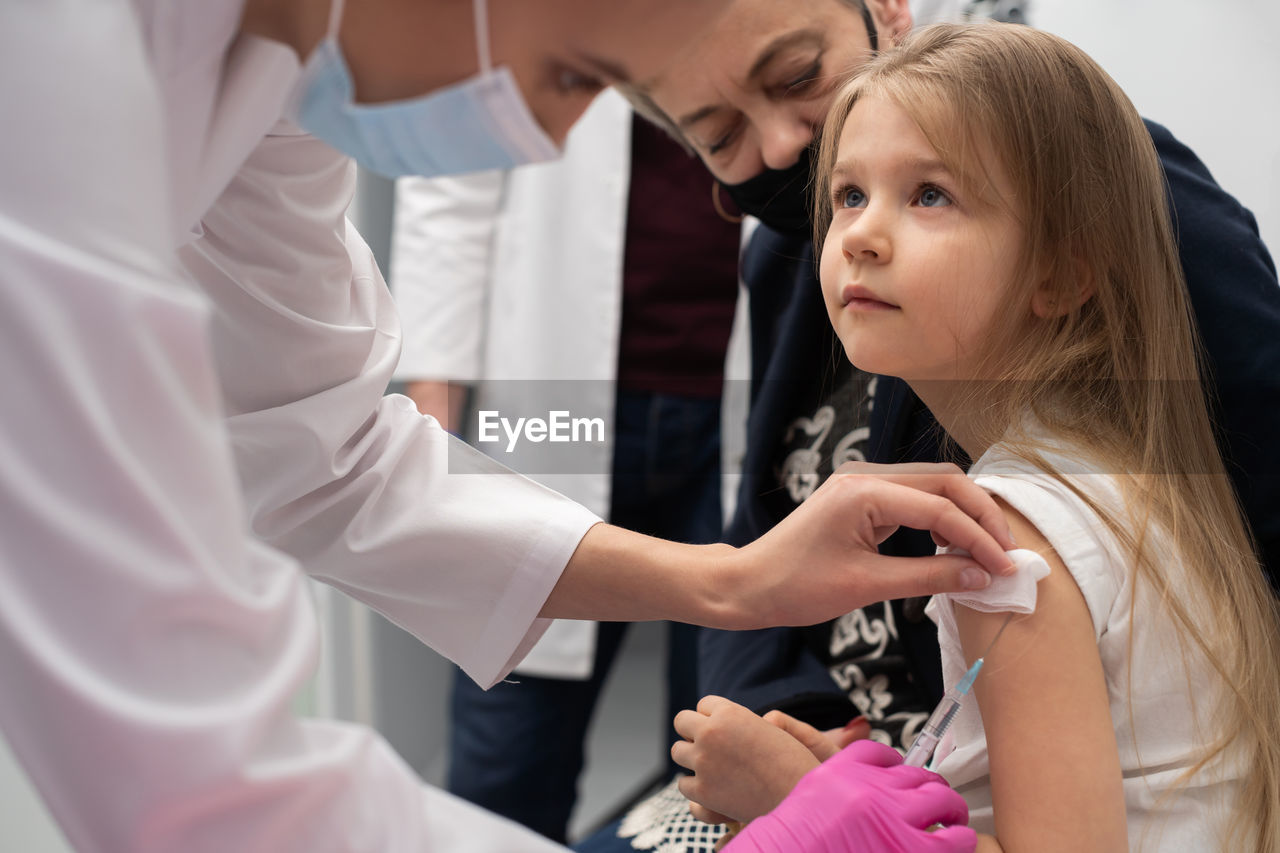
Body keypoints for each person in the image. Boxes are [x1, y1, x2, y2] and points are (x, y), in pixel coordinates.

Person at [0, 0, 1021, 849]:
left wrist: (729, 584)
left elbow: (333, 457)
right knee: (512, 733)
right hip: (556, 401)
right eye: (577, 78)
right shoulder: (57, 77)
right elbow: (198, 790)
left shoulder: (278, 101)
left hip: (691, 420)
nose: (555, 135)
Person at [576, 0, 1280, 850]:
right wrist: (817, 741)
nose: (780, 153)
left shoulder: (1001, 547)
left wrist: (818, 799)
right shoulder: (1067, 477)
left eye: (930, 195)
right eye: (848, 196)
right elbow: (762, 533)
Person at [390, 88, 743, 841]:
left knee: (714, 759)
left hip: (743, 401)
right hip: (558, 395)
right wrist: (432, 406)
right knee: (506, 751)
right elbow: (453, 170)